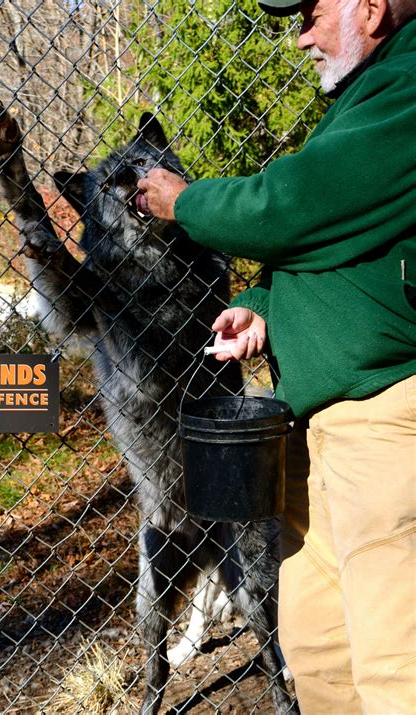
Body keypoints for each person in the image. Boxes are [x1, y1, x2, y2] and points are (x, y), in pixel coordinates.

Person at [137, 0, 416, 712]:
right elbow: (345, 241)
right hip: (316, 430)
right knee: (321, 654)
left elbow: (293, 209)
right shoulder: (367, 93)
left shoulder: (406, 90)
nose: (298, 37)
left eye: (312, 13)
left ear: (372, 7)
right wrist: (266, 312)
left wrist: (186, 200)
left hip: (383, 422)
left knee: (396, 665)